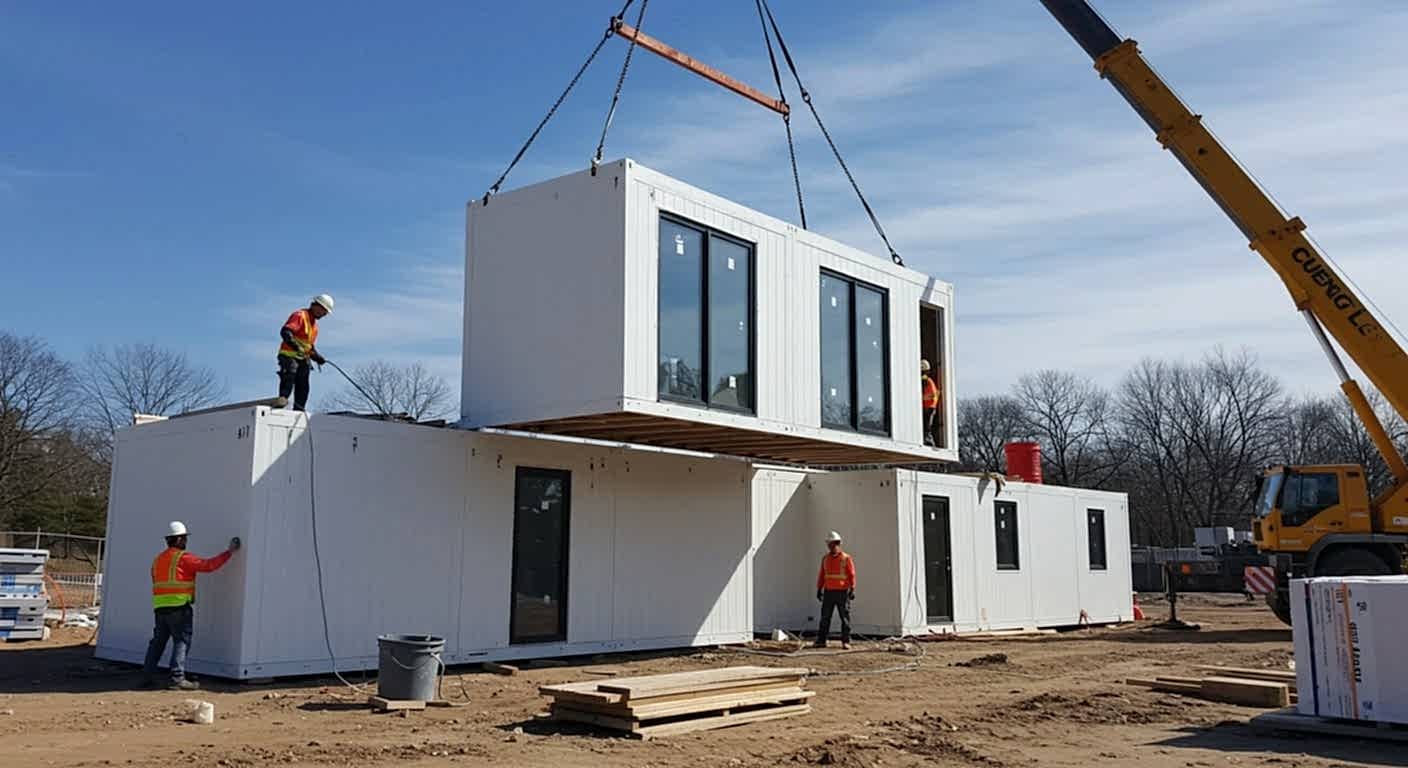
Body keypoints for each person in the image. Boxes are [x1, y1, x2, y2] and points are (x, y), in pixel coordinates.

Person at [142, 521, 240, 690]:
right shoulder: (183, 558)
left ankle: (147, 676)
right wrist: (229, 552)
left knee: (157, 642)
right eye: (185, 538)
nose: (186, 541)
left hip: (160, 608)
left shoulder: (158, 560)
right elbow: (208, 566)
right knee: (181, 641)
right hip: (179, 607)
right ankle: (177, 678)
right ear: (179, 539)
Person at [277, 294, 334, 411]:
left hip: (303, 358)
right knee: (290, 375)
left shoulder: (314, 327)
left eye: (325, 313)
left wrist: (317, 357)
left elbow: (309, 346)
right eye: (323, 311)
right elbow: (286, 332)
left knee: (303, 384)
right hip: (289, 355)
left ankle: (299, 409)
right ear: (316, 306)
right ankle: (283, 399)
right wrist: (296, 346)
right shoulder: (300, 316)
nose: (324, 315)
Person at [814, 531, 856, 649]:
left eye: (833, 544)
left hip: (842, 592)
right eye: (830, 544)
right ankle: (821, 640)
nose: (831, 546)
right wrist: (819, 588)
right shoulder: (825, 559)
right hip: (828, 592)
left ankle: (846, 641)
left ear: (838, 544)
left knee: (845, 618)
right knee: (825, 617)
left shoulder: (846, 558)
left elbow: (852, 574)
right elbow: (822, 575)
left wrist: (852, 588)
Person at [921, 359, 941, 446]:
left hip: (929, 407)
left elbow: (933, 395)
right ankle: (927, 440)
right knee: (926, 425)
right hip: (929, 407)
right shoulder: (927, 381)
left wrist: (921, 398)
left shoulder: (927, 381)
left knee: (927, 426)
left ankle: (928, 440)